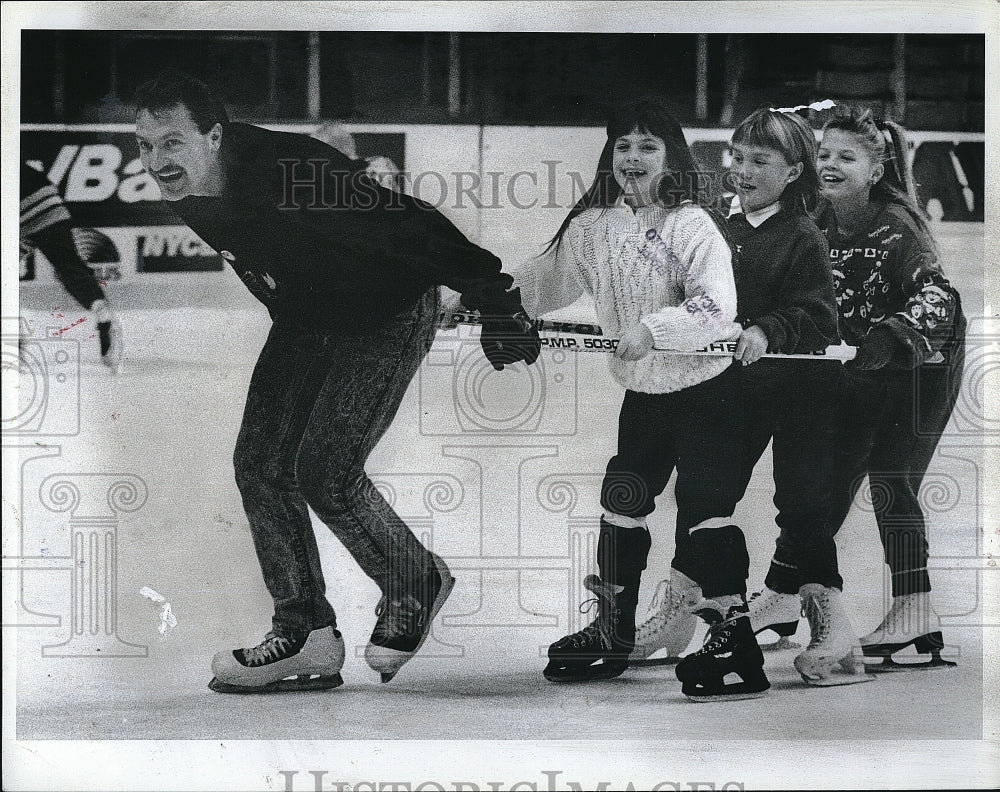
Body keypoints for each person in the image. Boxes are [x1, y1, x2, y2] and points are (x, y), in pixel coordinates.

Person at [132, 69, 540, 693]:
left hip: (385, 312)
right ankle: (307, 635)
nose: (157, 160)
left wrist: (495, 295)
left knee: (325, 472)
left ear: (213, 137)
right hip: (308, 317)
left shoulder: (289, 173)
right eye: (147, 146)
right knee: (261, 464)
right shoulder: (186, 189)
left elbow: (410, 222)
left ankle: (413, 579)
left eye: (172, 143)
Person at [516, 98, 769, 700]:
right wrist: (488, 305)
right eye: (623, 145)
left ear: (671, 158)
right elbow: (544, 282)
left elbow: (715, 308)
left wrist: (654, 330)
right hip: (646, 393)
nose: (633, 157)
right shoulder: (593, 227)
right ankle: (612, 627)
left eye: (647, 146)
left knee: (706, 510)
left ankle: (734, 640)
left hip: (709, 391)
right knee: (622, 498)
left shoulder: (692, 224)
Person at [813, 106, 965, 671]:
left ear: (876, 170)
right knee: (829, 478)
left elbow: (938, 299)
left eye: (846, 157)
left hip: (924, 359)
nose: (830, 165)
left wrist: (893, 333)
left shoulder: (897, 227)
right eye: (824, 154)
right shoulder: (818, 223)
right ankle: (791, 593)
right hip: (867, 365)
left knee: (891, 477)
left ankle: (915, 606)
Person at [19, 162, 124, 371]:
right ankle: (100, 309)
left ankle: (13, 342)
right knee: (69, 267)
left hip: (18, 205)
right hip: (45, 197)